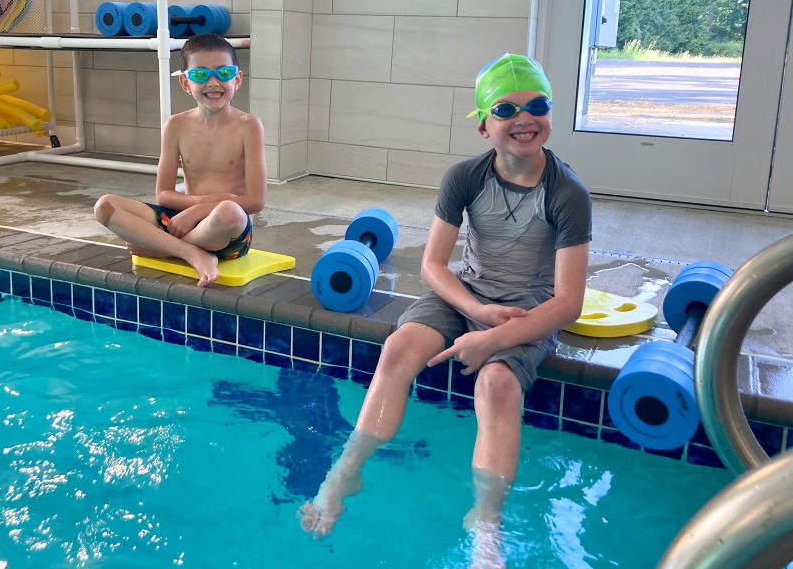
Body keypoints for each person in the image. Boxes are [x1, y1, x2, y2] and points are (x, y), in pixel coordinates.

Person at [299, 53, 592, 565]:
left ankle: (487, 521)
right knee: (398, 348)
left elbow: (569, 302)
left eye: (537, 105)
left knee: (497, 386)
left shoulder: (567, 193)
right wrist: (474, 308)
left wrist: (493, 338)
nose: (524, 119)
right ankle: (346, 470)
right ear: (484, 125)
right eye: (506, 109)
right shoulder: (465, 177)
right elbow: (434, 267)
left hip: (527, 310)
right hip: (466, 294)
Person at [94, 33, 266, 288]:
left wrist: (197, 210)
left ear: (237, 79)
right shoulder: (175, 125)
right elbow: (163, 194)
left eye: (223, 73)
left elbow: (255, 200)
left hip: (227, 234)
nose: (213, 82)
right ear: (185, 83)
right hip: (181, 220)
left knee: (229, 212)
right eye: (200, 75)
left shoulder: (248, 126)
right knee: (104, 206)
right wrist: (187, 213)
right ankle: (190, 252)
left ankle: (164, 247)